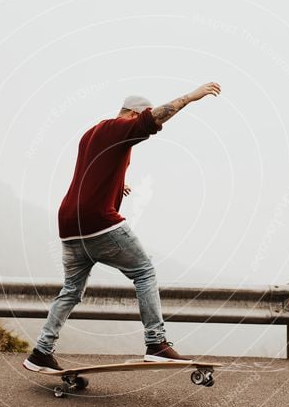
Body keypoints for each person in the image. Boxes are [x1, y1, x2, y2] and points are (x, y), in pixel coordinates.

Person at [24, 82, 222, 372]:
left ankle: (41, 351)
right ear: (131, 114)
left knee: (71, 290)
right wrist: (192, 97)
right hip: (97, 222)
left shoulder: (91, 133)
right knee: (144, 271)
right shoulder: (119, 128)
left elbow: (94, 170)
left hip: (69, 223)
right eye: (139, 120)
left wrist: (118, 185)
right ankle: (156, 344)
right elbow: (154, 118)